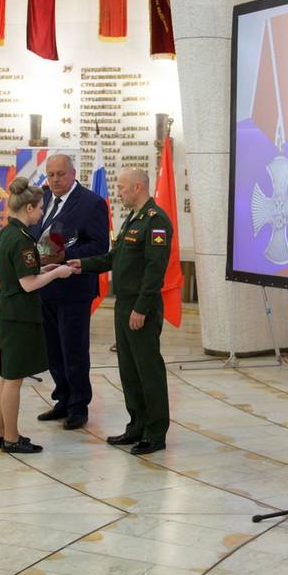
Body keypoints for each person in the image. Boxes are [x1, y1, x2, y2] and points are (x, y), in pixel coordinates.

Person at [68, 168, 173, 456]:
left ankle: (155, 432)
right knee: (129, 368)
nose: (119, 192)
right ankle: (136, 425)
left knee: (147, 369)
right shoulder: (134, 218)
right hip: (124, 303)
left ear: (138, 187)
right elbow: (115, 257)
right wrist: (83, 264)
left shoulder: (156, 221)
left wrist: (141, 308)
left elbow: (154, 270)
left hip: (141, 305)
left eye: (123, 187)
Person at [0, 177, 74, 453]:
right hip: (19, 314)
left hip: (5, 308)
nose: (41, 213)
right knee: (13, 379)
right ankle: (12, 438)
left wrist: (45, 271)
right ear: (28, 208)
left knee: (5, 376)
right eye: (40, 208)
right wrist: (59, 273)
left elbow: (20, 275)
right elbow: (28, 284)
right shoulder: (23, 240)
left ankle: (2, 433)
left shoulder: (5, 233)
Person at [30, 154, 110, 430]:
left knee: (73, 349)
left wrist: (62, 255)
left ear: (73, 173)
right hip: (45, 287)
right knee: (53, 349)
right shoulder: (41, 197)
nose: (54, 180)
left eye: (60, 174)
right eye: (50, 174)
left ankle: (78, 406)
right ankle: (62, 398)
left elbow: (99, 247)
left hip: (74, 288)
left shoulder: (91, 203)